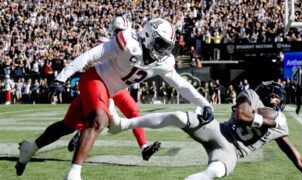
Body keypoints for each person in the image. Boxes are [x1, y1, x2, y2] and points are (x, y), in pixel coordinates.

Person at [16, 18, 213, 180]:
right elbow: (89, 56)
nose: (162, 51)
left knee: (68, 125)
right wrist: (61, 77)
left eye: (165, 47)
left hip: (108, 91)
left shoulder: (162, 62)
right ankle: (74, 174)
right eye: (160, 44)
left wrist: (204, 104)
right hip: (94, 79)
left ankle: (29, 148)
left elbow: (181, 84)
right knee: (99, 120)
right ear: (147, 35)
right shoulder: (127, 43)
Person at [108, 81, 302, 180]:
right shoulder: (252, 97)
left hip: (232, 152)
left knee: (215, 172)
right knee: (180, 117)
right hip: (218, 131)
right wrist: (268, 123)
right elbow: (242, 116)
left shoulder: (280, 124)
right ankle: (123, 124)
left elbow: (298, 159)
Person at [67, 16, 161, 161]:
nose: (119, 34)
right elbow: (90, 60)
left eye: (121, 31)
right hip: (102, 85)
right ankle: (80, 133)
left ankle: (143, 147)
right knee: (95, 117)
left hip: (119, 88)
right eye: (117, 31)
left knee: (133, 112)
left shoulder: (133, 44)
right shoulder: (106, 43)